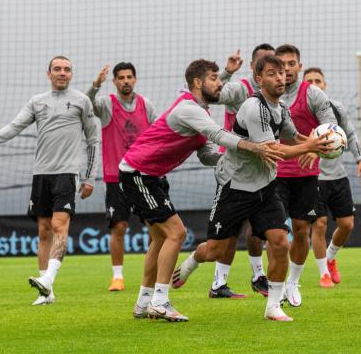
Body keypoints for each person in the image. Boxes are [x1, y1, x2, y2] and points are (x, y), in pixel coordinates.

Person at [172, 55, 333, 321]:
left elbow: (293, 137)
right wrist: (311, 147)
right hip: (235, 186)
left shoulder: (281, 108)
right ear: (259, 80)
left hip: (265, 187)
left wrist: (321, 143)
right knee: (214, 250)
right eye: (272, 73)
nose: (280, 77)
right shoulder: (253, 107)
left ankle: (272, 307)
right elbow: (273, 150)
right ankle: (192, 262)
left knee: (281, 242)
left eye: (282, 73)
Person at [121, 58, 283, 322]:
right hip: (138, 173)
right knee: (177, 232)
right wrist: (254, 148)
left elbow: (207, 154)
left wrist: (236, 161)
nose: (220, 83)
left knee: (160, 239)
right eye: (214, 78)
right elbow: (217, 135)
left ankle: (143, 303)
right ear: (198, 82)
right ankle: (160, 301)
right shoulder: (188, 108)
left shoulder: (198, 111)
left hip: (150, 176)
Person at [0, 56, 98, 305]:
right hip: (41, 175)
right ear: (48, 73)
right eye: (57, 69)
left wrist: (89, 178)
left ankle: (49, 278)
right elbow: (15, 125)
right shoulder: (37, 102)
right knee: (43, 230)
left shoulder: (82, 101)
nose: (62, 73)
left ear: (71, 74)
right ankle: (47, 292)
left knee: (59, 225)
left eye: (67, 70)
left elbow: (93, 140)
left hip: (67, 173)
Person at [208, 43, 276, 298]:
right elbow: (213, 94)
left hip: (261, 169)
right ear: (253, 68)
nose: (268, 68)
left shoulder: (274, 96)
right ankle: (218, 283)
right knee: (231, 231)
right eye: (262, 63)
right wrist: (226, 72)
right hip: (235, 170)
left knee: (260, 228)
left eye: (272, 63)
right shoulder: (240, 89)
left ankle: (259, 276)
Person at [274, 44, 337, 307]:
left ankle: (292, 282)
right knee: (275, 234)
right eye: (281, 65)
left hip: (306, 176)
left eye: (291, 64)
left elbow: (331, 129)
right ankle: (272, 287)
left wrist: (317, 151)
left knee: (301, 231)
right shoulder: (264, 96)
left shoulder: (313, 95)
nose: (286, 69)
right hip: (273, 173)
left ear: (300, 66)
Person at [86, 62, 156, 292]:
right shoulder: (107, 105)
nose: (126, 81)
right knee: (119, 226)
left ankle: (152, 272)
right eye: (121, 77)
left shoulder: (146, 105)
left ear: (135, 79)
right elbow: (87, 105)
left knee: (154, 226)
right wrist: (96, 84)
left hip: (143, 176)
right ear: (114, 81)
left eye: (129, 77)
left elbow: (158, 135)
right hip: (116, 177)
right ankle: (117, 277)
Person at [303, 67, 361, 287]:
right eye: (309, 80)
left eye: (317, 80)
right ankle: (324, 274)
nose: (313, 84)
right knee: (319, 224)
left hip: (338, 177)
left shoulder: (335, 109)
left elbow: (349, 133)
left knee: (347, 224)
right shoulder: (299, 110)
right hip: (312, 179)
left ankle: (331, 258)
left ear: (324, 85)